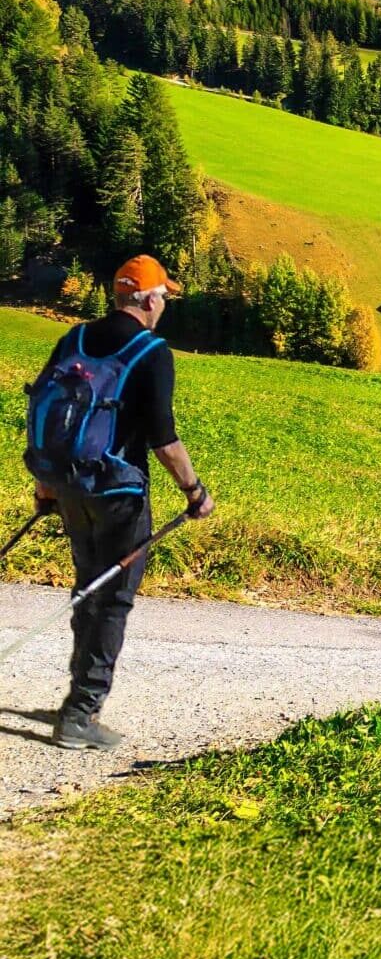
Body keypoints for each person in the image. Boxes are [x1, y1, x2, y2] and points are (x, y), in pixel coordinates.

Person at [25, 256, 215, 751]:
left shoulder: (74, 340)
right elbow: (163, 439)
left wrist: (47, 486)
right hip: (119, 494)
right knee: (112, 599)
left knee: (89, 586)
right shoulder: (151, 352)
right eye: (165, 297)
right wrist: (195, 492)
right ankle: (80, 714)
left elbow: (50, 416)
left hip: (68, 486)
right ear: (150, 300)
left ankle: (75, 699)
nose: (164, 306)